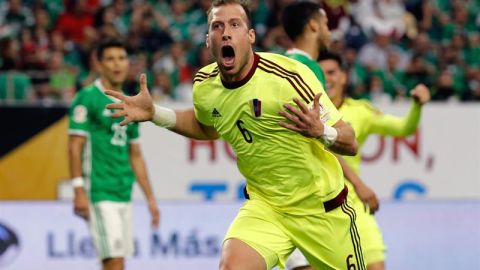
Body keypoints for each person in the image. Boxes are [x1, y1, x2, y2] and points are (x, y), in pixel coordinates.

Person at [105, 1, 365, 269]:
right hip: (267, 209)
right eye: (217, 26)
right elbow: (206, 126)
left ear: (250, 36)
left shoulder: (289, 77)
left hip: (321, 209)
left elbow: (350, 140)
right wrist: (154, 113)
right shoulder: (205, 86)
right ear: (208, 40)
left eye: (234, 24)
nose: (225, 32)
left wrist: (322, 131)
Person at [308, 51, 427, 270]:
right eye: (322, 73)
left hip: (354, 205)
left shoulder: (360, 111)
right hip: (317, 208)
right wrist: (360, 183)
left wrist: (417, 106)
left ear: (344, 77)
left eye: (332, 72)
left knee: (376, 266)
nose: (328, 78)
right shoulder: (309, 114)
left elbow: (404, 128)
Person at [68, 39, 160, 270]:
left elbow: (136, 155)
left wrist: (150, 199)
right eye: (110, 59)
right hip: (98, 190)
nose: (117, 64)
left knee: (118, 262)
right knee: (114, 262)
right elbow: (74, 146)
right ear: (98, 65)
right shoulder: (87, 98)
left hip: (123, 191)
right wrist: (78, 189)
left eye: (121, 58)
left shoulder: (131, 103)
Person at [282, 1, 330, 88]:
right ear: (314, 25)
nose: (329, 33)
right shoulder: (309, 67)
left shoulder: (282, 62)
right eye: (325, 24)